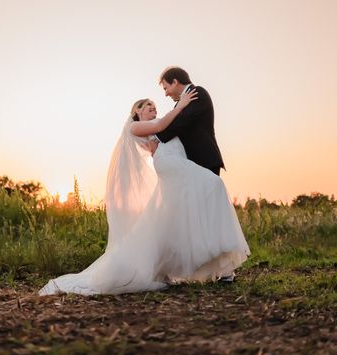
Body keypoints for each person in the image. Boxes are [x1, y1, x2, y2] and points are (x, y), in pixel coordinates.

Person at [38, 89, 250, 296]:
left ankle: (200, 262)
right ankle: (218, 259)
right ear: (137, 110)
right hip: (171, 166)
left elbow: (160, 132)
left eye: (155, 107)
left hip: (174, 164)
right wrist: (182, 105)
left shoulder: (156, 128)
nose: (153, 109)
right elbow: (159, 125)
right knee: (214, 184)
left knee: (176, 218)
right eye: (149, 106)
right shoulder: (136, 127)